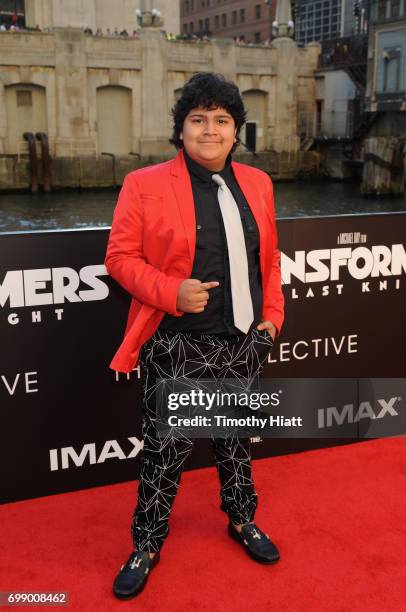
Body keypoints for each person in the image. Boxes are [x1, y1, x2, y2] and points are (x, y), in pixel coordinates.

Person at [105, 72, 284, 600]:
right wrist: (169, 291)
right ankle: (146, 543)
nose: (210, 130)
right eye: (198, 120)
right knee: (165, 451)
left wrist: (272, 319)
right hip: (179, 341)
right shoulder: (144, 184)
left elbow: (268, 260)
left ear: (236, 132)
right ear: (180, 130)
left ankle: (242, 519)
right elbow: (118, 258)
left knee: (235, 445)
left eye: (222, 121)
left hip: (244, 340)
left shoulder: (259, 183)